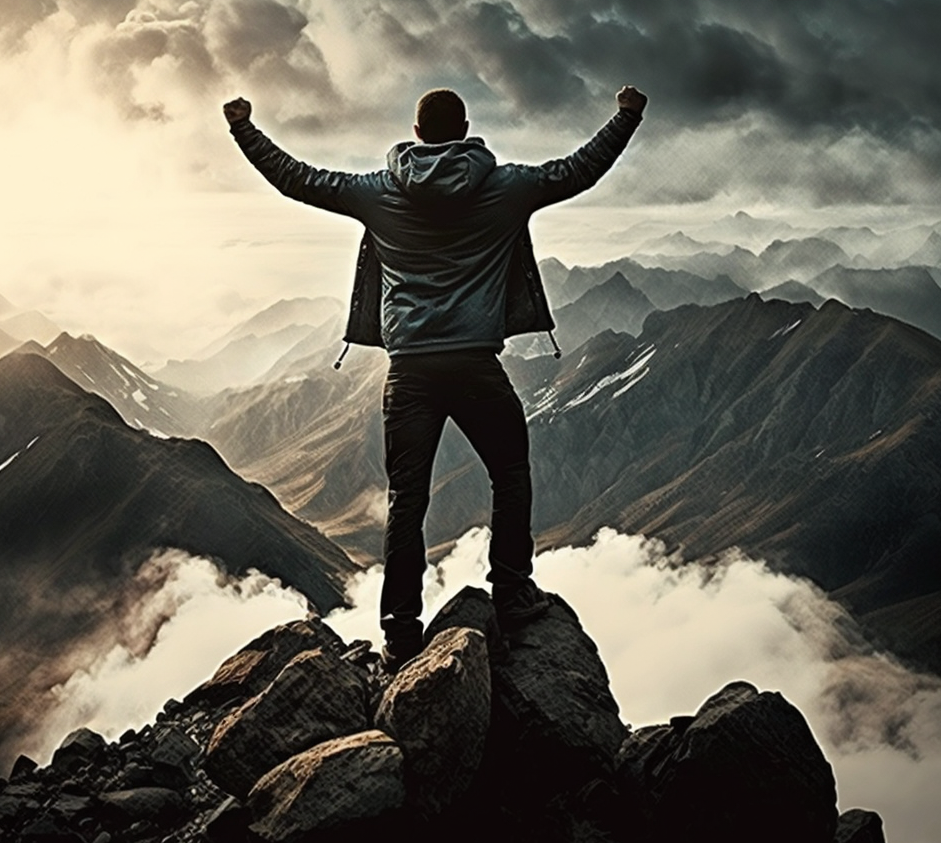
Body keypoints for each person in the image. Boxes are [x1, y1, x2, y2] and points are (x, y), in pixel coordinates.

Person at [223, 84, 647, 671]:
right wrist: (627, 115)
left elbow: (296, 178)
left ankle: (400, 631)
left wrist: (243, 126)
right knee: (512, 472)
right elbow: (579, 170)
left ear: (417, 135)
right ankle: (513, 590)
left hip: (411, 372)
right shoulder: (506, 186)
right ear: (466, 128)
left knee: (406, 500)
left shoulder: (377, 192)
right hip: (477, 364)